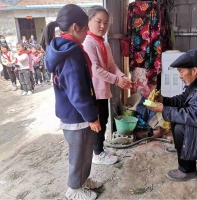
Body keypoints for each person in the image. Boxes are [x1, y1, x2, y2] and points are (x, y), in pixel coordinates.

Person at [41, 4, 103, 200]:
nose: (87, 33)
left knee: (85, 151)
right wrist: (92, 117)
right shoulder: (70, 54)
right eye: (86, 29)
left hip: (77, 113)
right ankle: (74, 189)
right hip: (75, 115)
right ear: (75, 27)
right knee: (78, 154)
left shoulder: (67, 48)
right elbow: (77, 92)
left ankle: (83, 181)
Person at [83, 5, 132, 165]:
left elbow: (111, 65)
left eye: (106, 23)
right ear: (88, 21)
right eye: (98, 21)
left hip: (103, 90)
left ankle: (99, 150)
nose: (102, 26)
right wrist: (117, 80)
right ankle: (97, 154)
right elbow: (95, 69)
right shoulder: (88, 42)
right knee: (98, 123)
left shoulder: (104, 44)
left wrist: (122, 76)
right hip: (94, 92)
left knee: (103, 120)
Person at [147, 49, 197, 182]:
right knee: (175, 116)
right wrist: (164, 100)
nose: (180, 76)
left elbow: (195, 115)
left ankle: (188, 170)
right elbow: (183, 99)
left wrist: (163, 109)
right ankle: (181, 148)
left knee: (181, 127)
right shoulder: (195, 84)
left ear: (194, 71)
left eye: (181, 72)